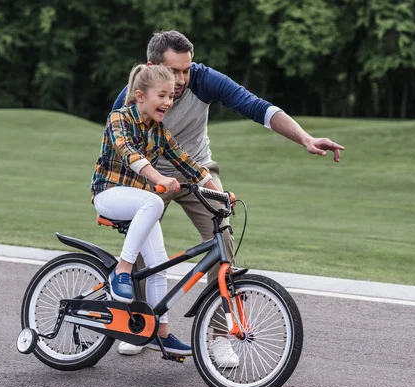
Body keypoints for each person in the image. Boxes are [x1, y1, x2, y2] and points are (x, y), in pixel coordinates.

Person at [113, 30, 345, 364]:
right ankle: (138, 324)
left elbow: (257, 107)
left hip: (198, 170)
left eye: (185, 70)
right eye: (173, 71)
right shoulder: (133, 94)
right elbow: (115, 144)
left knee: (223, 238)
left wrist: (305, 138)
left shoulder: (204, 80)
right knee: (136, 245)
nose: (180, 80)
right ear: (151, 66)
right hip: (149, 174)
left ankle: (221, 335)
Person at [91, 63, 221, 356]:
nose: (168, 102)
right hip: (109, 194)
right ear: (139, 96)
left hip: (138, 200)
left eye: (171, 97)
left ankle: (159, 332)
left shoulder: (160, 131)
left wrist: (220, 193)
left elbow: (188, 163)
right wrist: (161, 179)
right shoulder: (119, 119)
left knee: (160, 264)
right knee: (151, 199)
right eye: (162, 95)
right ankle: (122, 270)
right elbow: (130, 155)